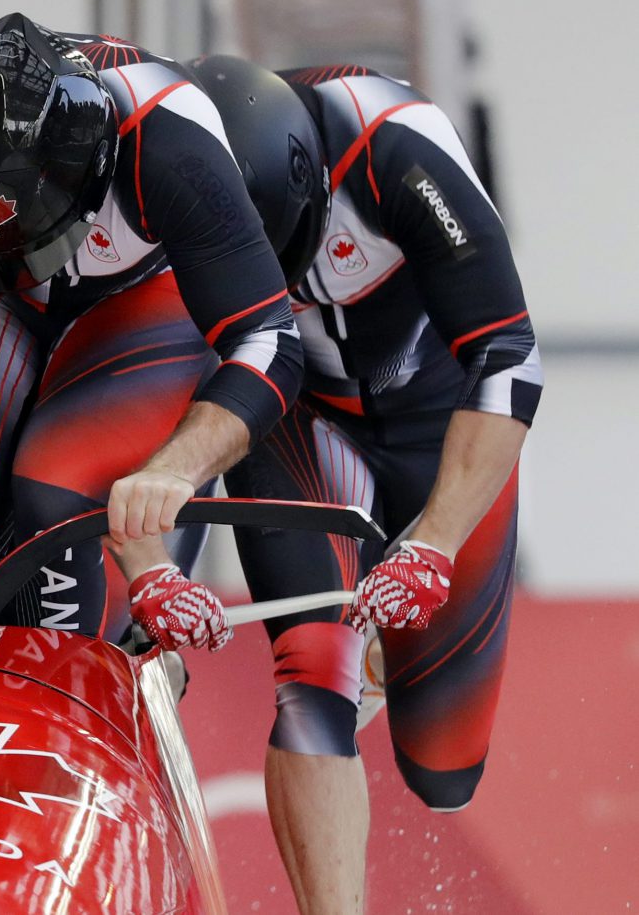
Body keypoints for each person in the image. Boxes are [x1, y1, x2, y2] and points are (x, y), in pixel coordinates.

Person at [0, 14, 305, 646]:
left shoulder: (169, 141)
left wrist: (173, 470)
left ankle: (124, 649)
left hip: (134, 298)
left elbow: (269, 339)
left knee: (61, 492)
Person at [195, 55, 543, 913]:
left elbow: (510, 359)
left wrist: (432, 541)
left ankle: (388, 666)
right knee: (310, 682)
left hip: (441, 425)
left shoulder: (393, 148)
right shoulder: (168, 168)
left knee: (443, 767)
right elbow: (152, 389)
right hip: (296, 420)